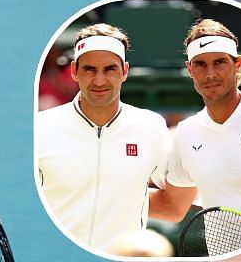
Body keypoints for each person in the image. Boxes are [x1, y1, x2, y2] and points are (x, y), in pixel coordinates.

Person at [149, 19, 241, 243]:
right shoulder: (187, 132)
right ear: (189, 69)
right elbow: (172, 206)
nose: (210, 74)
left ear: (237, 65)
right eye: (200, 64)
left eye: (219, 62)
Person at [35, 24, 171, 251]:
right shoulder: (41, 127)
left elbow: (175, 201)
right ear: (73, 71)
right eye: (89, 69)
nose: (99, 81)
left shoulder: (152, 126)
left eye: (109, 69)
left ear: (124, 71)